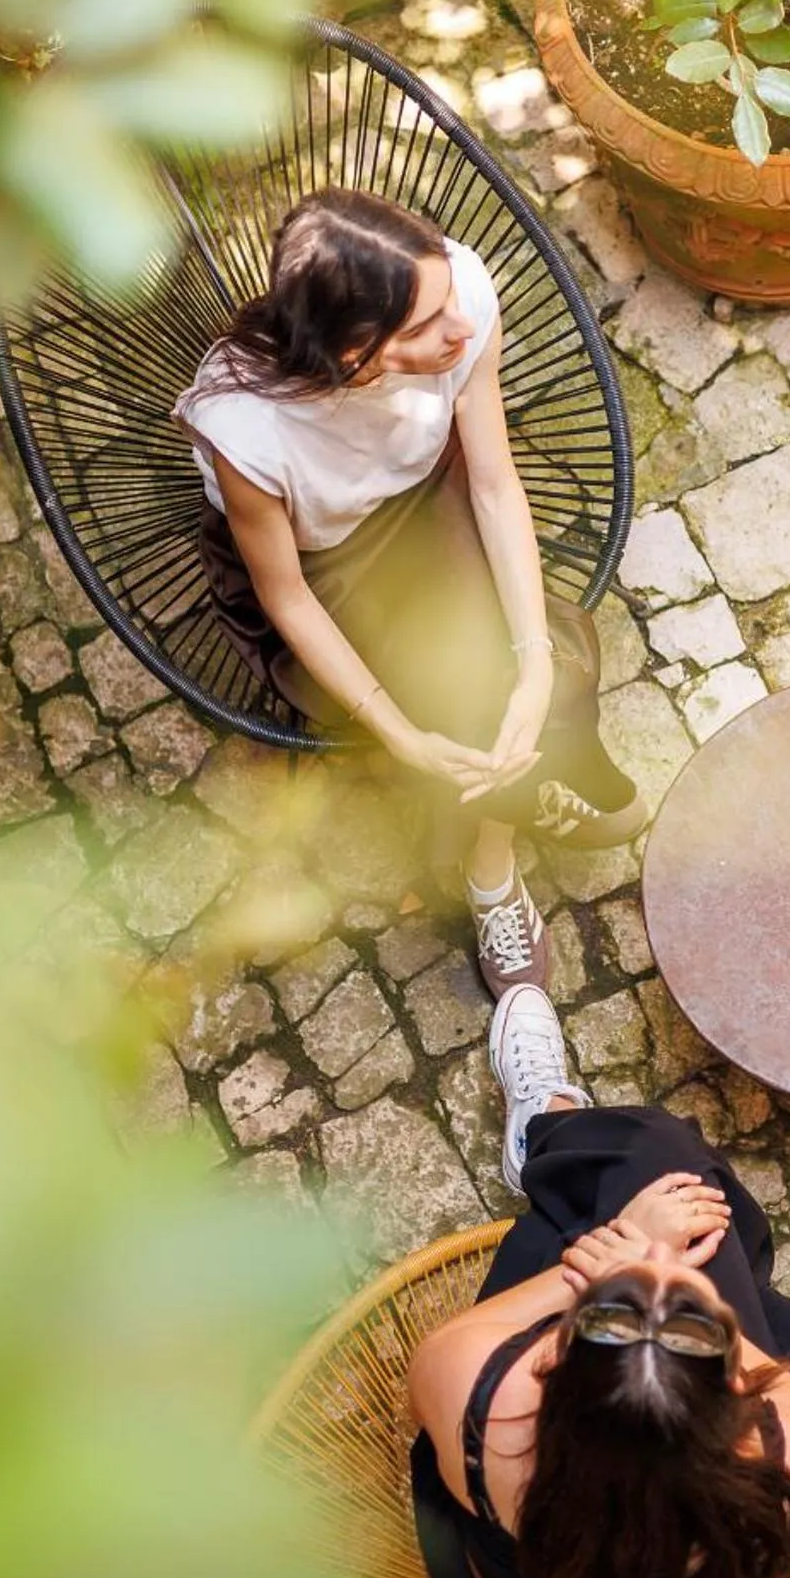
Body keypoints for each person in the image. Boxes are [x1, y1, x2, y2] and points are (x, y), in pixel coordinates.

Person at [174, 189, 643, 998]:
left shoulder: (457, 293)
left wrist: (533, 659)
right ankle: (492, 867)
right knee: (455, 711)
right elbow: (289, 598)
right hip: (329, 560)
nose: (459, 329)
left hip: (433, 494)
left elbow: (491, 480)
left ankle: (494, 838)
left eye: (447, 300)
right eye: (424, 326)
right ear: (351, 354)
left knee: (536, 669)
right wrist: (399, 736)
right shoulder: (247, 434)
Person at [406, 984, 790, 1578]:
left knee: (649, 1170)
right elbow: (787, 1402)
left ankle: (551, 1126)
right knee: (693, 1201)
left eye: (608, 1316)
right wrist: (686, 1283)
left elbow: (468, 1338)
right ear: (742, 1396)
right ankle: (559, 1136)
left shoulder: (477, 1395)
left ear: (551, 1370)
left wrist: (613, 1251)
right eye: (704, 1324)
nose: (653, 1267)